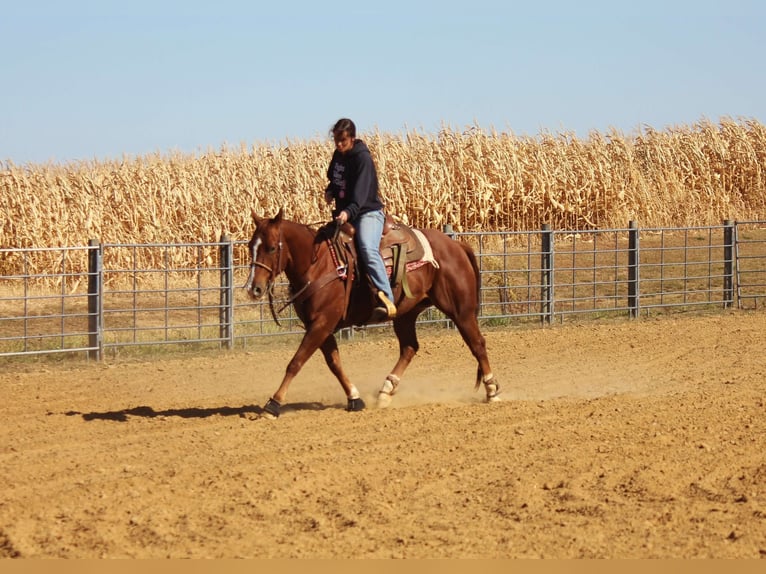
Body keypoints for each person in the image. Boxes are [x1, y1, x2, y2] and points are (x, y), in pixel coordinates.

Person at [324, 118, 397, 321]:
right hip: (345, 214)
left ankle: (387, 298)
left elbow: (361, 193)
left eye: (343, 141)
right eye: (336, 140)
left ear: (352, 138)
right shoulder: (338, 156)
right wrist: (330, 190)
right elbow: (335, 179)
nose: (339, 145)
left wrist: (348, 211)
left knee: (367, 248)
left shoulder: (362, 158)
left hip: (367, 213)